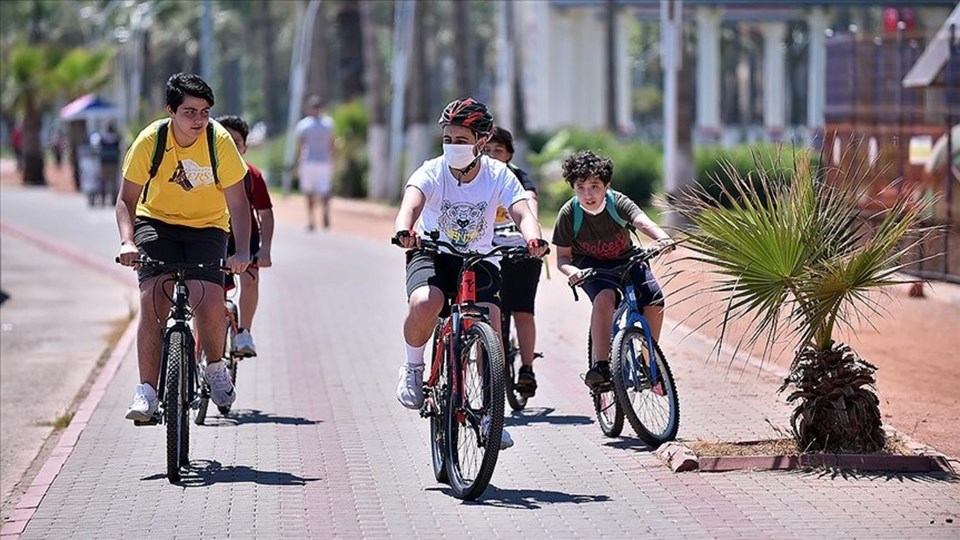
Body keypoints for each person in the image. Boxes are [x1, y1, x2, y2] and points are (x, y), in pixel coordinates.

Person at [393, 97, 548, 450]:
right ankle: (414, 368)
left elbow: (522, 210)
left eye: (461, 140)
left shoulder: (498, 175)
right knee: (425, 302)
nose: (452, 146)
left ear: (482, 141)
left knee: (491, 324)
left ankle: (492, 416)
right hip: (433, 252)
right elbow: (412, 203)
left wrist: (533, 236)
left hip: (481, 259)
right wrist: (405, 229)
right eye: (448, 138)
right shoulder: (431, 170)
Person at [115, 73, 252, 422]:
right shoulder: (151, 140)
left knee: (207, 299)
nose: (199, 120)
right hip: (156, 222)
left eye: (205, 112)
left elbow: (238, 204)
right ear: (171, 111)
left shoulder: (218, 142)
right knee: (153, 299)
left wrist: (241, 253)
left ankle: (216, 368)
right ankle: (146, 391)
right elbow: (126, 200)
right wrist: (128, 241)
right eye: (190, 112)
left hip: (207, 227)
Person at [552, 150, 674, 390]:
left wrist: (662, 238)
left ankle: (648, 359)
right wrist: (571, 272)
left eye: (595, 186)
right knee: (606, 299)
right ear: (573, 188)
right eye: (581, 187)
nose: (588, 194)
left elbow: (642, 221)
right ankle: (601, 366)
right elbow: (562, 258)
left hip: (626, 260)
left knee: (655, 299)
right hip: (590, 266)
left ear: (607, 186)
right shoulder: (568, 214)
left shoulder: (618, 202)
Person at [485, 126, 542, 398]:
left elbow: (529, 203)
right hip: (485, 252)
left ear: (509, 154)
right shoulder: (474, 178)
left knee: (523, 310)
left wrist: (532, 238)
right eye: (487, 150)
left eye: (499, 150)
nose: (493, 155)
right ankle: (489, 369)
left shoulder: (518, 178)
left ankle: (527, 369)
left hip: (521, 251)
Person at [215, 114, 275, 356]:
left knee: (250, 279)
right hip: (211, 238)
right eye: (224, 140)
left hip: (244, 238)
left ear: (244, 148)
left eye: (236, 142)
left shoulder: (252, 176)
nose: (230, 147)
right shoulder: (201, 173)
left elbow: (266, 214)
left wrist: (265, 249)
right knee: (209, 295)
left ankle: (244, 333)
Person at [294, 95, 336, 231]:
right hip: (322, 161)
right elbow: (332, 144)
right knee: (323, 190)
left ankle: (312, 218)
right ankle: (321, 214)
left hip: (310, 161)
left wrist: (297, 162)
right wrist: (333, 159)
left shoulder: (304, 125)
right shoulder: (328, 124)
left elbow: (300, 146)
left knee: (310, 191)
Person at [95, 122, 122, 206]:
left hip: (104, 162)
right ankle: (113, 200)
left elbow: (98, 149)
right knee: (113, 181)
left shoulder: (102, 138)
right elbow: (119, 150)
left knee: (103, 181)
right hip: (114, 162)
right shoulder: (116, 138)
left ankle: (103, 199)